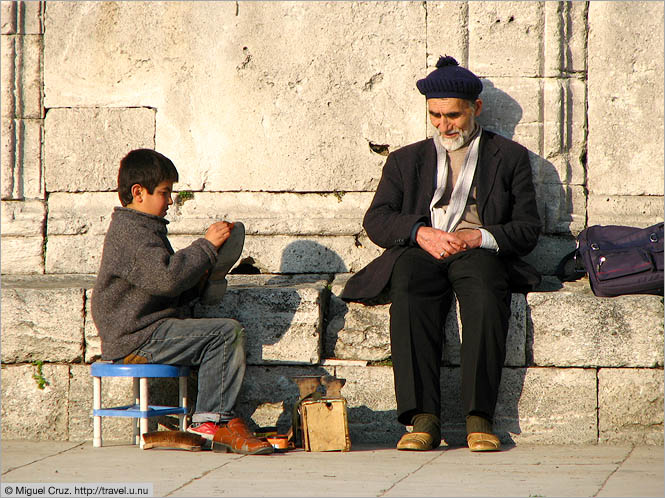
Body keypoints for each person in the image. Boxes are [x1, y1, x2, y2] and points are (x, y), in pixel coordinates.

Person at [341, 56, 541, 452]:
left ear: (475, 109)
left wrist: (478, 237)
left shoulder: (510, 157)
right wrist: (419, 232)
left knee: (486, 293)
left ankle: (479, 416)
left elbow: (527, 228)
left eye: (452, 116)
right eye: (435, 116)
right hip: (424, 247)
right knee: (409, 286)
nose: (443, 126)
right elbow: (378, 219)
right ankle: (422, 418)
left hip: (477, 249)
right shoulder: (405, 160)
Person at [91, 148, 273, 455]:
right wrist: (204, 248)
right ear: (139, 193)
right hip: (137, 337)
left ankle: (204, 279)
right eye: (165, 193)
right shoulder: (130, 233)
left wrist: (197, 279)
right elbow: (166, 279)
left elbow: (164, 288)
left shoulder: (142, 228)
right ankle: (209, 421)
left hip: (149, 328)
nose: (170, 201)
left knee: (219, 330)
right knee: (225, 333)